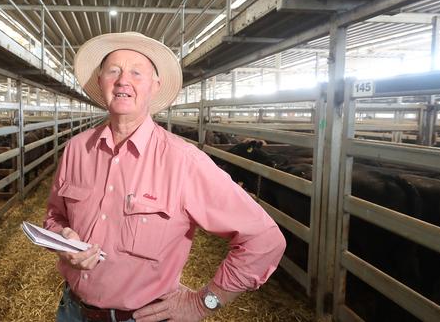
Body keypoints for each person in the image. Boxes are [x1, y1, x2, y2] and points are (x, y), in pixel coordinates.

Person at [44, 32, 286, 322]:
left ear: (155, 86)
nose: (123, 80)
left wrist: (204, 303)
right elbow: (54, 216)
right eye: (113, 70)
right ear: (100, 81)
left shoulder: (183, 161)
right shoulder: (76, 150)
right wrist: (63, 238)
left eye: (136, 72)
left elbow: (265, 239)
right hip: (71, 310)